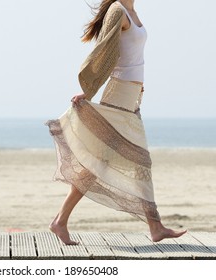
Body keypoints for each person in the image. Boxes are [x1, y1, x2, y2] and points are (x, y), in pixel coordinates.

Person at [46, 0, 187, 245]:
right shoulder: (118, 11)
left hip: (131, 97)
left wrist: (138, 97)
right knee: (129, 161)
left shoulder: (132, 11)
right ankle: (154, 226)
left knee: (103, 162)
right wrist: (88, 93)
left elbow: (134, 57)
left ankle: (61, 220)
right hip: (119, 94)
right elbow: (104, 51)